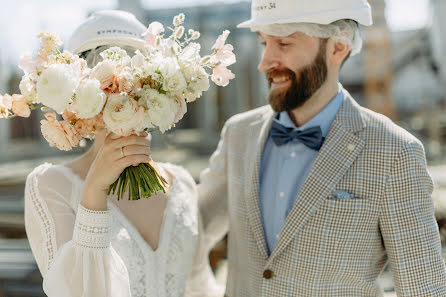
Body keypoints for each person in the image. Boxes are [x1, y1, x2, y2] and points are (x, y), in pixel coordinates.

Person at [197, 0, 446, 296]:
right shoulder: (239, 134)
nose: (265, 62)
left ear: (337, 48)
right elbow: (191, 226)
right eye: (264, 43)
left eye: (284, 44)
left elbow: (423, 284)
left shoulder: (394, 152)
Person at [24, 10, 221, 297]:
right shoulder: (49, 186)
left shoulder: (182, 183)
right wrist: (94, 191)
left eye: (143, 86)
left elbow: (201, 287)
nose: (126, 96)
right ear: (76, 99)